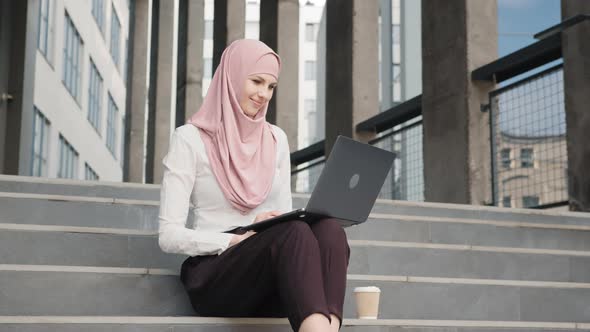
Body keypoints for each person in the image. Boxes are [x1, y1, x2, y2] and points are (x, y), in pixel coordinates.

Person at [158, 39, 350, 332]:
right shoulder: (190, 139)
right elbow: (168, 235)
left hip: (272, 276)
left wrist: (267, 226)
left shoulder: (276, 139)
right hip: (217, 275)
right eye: (257, 81)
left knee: (328, 228)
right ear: (232, 77)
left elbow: (285, 217)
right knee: (295, 232)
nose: (264, 94)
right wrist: (238, 238)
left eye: (271, 86)